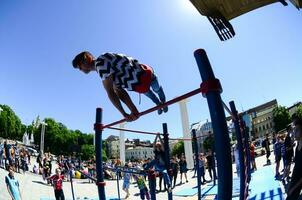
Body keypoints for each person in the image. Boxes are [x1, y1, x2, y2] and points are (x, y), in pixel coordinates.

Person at [72, 52, 168, 121]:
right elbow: (118, 90)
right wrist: (132, 111)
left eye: (80, 66)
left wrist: (125, 113)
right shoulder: (105, 67)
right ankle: (158, 104)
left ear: (88, 58)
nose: (80, 69)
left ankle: (163, 101)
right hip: (140, 85)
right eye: (78, 68)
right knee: (151, 96)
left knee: (157, 89)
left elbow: (110, 92)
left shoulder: (100, 63)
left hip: (146, 76)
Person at [286, 115, 302, 200]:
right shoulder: (297, 147)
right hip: (294, 183)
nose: (294, 133)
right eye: (294, 130)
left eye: (297, 130)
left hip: (297, 185)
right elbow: (296, 168)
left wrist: (293, 188)